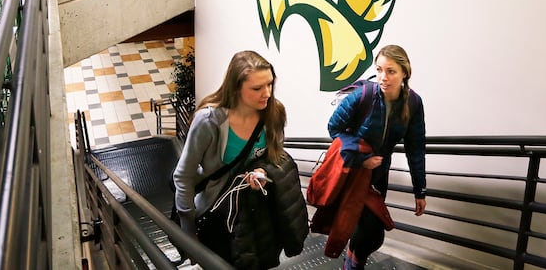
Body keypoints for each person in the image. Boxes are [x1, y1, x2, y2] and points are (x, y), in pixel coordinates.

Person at [172, 50, 308, 269]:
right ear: (236, 88)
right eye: (257, 88)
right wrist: (189, 233)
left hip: (258, 212)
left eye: (270, 84)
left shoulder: (273, 111)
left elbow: (275, 155)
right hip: (220, 211)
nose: (267, 93)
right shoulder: (210, 121)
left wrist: (264, 172)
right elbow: (183, 176)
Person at [327, 44, 426, 270]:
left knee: (367, 232)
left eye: (391, 71)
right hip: (353, 172)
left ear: (404, 73)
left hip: (379, 175)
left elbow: (416, 148)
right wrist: (362, 158)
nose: (383, 77)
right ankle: (352, 263)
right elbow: (334, 128)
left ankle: (352, 261)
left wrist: (420, 190)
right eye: (379, 70)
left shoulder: (413, 103)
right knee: (373, 234)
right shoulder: (364, 95)